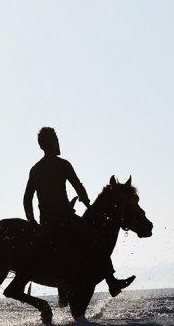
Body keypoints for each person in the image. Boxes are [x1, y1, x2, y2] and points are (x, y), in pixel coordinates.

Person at [23, 127, 134, 297]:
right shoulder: (63, 164)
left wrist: (32, 222)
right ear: (53, 143)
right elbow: (78, 186)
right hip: (66, 219)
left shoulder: (35, 169)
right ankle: (112, 282)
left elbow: (27, 199)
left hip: (46, 221)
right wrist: (86, 201)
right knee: (96, 239)